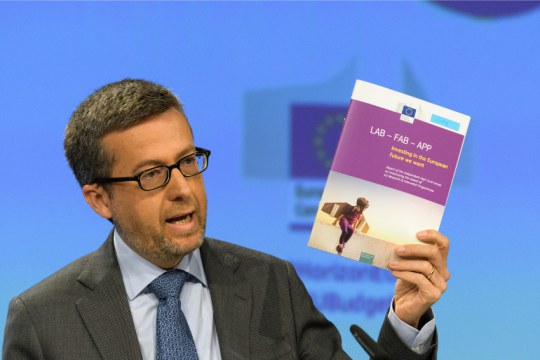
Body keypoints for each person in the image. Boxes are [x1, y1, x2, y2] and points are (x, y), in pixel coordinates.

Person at [2, 79, 450, 360]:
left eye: (188, 161)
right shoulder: (43, 319)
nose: (183, 188)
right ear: (99, 199)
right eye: (152, 174)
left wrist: (405, 320)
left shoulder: (271, 283)